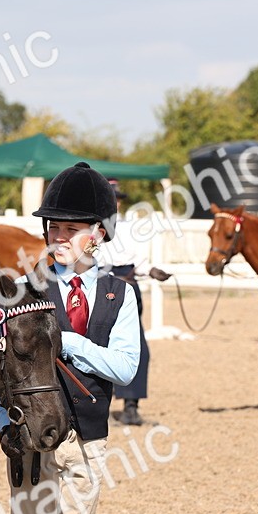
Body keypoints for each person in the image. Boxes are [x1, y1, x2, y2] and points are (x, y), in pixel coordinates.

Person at [0, 163, 141, 514]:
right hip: (33, 441)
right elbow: (5, 364)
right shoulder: (24, 289)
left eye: (69, 227)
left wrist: (70, 346)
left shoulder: (119, 296)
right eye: (52, 226)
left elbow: (125, 368)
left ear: (97, 233)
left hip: (90, 439)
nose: (57, 235)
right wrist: (5, 420)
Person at [97, 178, 171, 426]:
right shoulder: (91, 231)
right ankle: (97, 405)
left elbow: (139, 261)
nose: (115, 204)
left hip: (128, 285)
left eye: (116, 200)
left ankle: (131, 405)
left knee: (136, 346)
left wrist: (152, 271)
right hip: (99, 284)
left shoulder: (130, 228)